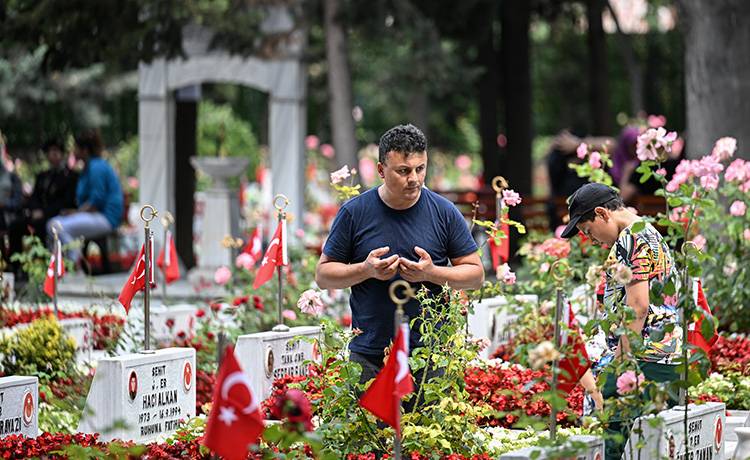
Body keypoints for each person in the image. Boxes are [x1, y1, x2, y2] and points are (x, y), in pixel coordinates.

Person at [315, 124, 484, 385]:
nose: (414, 179)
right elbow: (324, 276)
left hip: (430, 355)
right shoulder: (354, 212)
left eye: (420, 168)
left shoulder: (444, 212)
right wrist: (365, 270)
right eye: (403, 171)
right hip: (370, 354)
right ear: (381, 170)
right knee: (369, 427)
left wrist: (431, 273)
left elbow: (475, 275)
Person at [560, 182, 682, 460]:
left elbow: (638, 307)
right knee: (654, 448)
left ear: (603, 213)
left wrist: (620, 361)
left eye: (588, 231)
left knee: (612, 446)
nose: (591, 239)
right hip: (664, 355)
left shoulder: (631, 239)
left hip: (640, 360)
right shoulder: (647, 231)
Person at [47, 129, 123, 267]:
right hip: (96, 215)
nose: (73, 151)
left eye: (75, 148)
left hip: (106, 218)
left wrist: (75, 213)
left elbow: (96, 201)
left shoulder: (96, 167)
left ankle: (75, 263)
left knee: (55, 226)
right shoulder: (88, 167)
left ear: (85, 150)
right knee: (54, 223)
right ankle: (62, 266)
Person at [9, 138, 78, 270]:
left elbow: (66, 202)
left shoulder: (70, 176)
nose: (54, 155)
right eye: (51, 152)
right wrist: (34, 210)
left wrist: (44, 213)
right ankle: (16, 267)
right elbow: (34, 197)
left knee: (42, 227)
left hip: (55, 216)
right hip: (37, 214)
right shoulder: (43, 176)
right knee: (15, 226)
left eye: (57, 151)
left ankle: (45, 266)